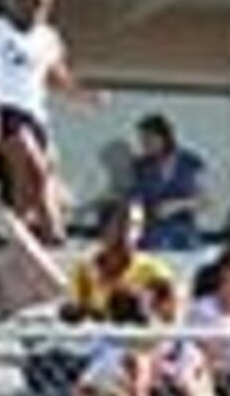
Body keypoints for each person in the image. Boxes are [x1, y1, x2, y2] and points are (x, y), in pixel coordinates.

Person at [0, 0, 86, 240]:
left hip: (36, 113)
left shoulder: (49, 37)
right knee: (31, 167)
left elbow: (56, 73)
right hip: (5, 109)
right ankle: (42, 230)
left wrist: (81, 94)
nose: (37, 4)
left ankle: (28, 227)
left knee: (43, 175)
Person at [66, 200, 178, 323]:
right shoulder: (84, 270)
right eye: (120, 224)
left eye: (135, 225)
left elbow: (169, 321)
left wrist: (143, 308)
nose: (127, 232)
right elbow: (75, 315)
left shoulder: (156, 272)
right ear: (104, 228)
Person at [122, 115, 209, 250]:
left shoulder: (190, 162)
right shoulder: (142, 166)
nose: (145, 145)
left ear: (163, 138)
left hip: (182, 233)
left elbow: (204, 200)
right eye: (142, 141)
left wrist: (177, 206)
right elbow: (135, 201)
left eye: (148, 140)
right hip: (151, 233)